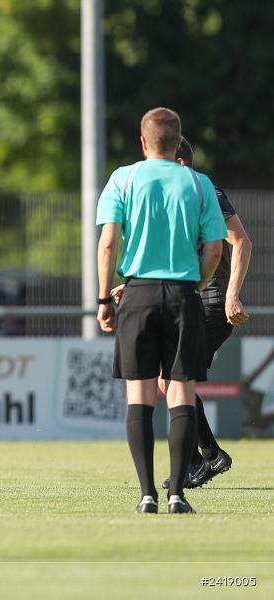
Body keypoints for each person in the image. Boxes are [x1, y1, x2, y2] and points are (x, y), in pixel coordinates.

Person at [96, 107, 227, 515]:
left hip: (137, 294)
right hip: (184, 294)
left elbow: (107, 244)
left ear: (143, 141)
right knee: (181, 392)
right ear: (178, 142)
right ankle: (178, 496)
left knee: (140, 393)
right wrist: (196, 285)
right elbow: (215, 248)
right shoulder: (199, 183)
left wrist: (104, 299)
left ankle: (147, 494)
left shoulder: (124, 178)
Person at [113, 136, 251, 490]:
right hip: (187, 295)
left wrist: (231, 294)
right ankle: (204, 456)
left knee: (172, 378)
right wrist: (133, 285)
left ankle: (205, 456)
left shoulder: (205, 191)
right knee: (168, 377)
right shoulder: (179, 196)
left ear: (179, 163)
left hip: (212, 300)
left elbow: (241, 241)